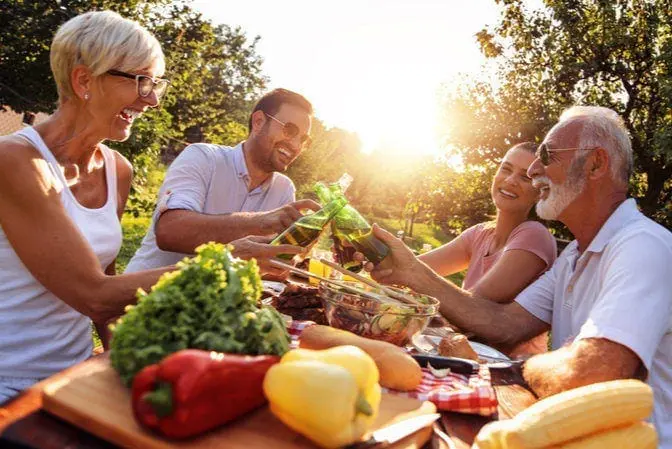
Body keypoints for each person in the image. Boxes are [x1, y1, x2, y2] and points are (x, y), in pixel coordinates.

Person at [0, 11, 299, 404]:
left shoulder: (116, 170)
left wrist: (117, 362)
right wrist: (225, 261)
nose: (153, 100)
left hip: (72, 378)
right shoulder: (16, 161)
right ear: (84, 80)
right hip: (10, 384)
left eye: (156, 84)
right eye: (141, 81)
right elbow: (93, 294)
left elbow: (107, 293)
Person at [361, 106, 672, 447]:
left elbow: (592, 374)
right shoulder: (573, 256)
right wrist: (412, 272)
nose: (535, 170)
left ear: (596, 164)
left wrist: (520, 369)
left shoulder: (643, 247)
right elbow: (503, 322)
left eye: (547, 155)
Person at [125, 88, 319, 276]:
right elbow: (170, 231)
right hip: (143, 298)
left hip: (214, 306)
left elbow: (268, 267)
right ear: (259, 122)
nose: (295, 145)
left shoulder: (284, 189)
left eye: (303, 140)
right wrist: (262, 221)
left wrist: (293, 254)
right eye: (289, 130)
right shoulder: (202, 157)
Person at [419, 142, 556, 357]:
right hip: (460, 353)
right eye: (506, 169)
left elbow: (471, 308)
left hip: (506, 371)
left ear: (541, 191)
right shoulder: (480, 233)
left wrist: (409, 281)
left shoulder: (534, 236)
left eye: (525, 177)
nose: (510, 180)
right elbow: (417, 267)